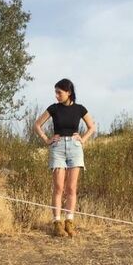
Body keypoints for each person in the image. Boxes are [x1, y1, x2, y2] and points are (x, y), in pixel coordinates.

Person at [33, 78, 96, 237]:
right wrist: (47, 139)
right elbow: (37, 125)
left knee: (71, 188)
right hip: (58, 148)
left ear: (69, 92)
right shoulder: (54, 108)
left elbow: (92, 127)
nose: (56, 96)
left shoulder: (80, 109)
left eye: (59, 92)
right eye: (55, 92)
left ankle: (69, 222)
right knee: (59, 187)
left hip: (75, 148)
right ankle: (57, 223)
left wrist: (83, 139)